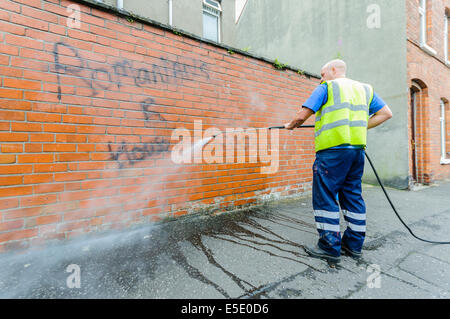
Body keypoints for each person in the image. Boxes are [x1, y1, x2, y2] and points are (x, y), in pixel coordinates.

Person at [284, 59, 392, 263]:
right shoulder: (365, 89)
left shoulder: (328, 87)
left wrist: (290, 125)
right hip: (356, 153)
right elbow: (386, 113)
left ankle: (329, 246)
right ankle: (353, 246)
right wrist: (359, 126)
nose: (320, 78)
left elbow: (302, 115)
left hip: (332, 153)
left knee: (325, 197)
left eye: (322, 74)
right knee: (353, 196)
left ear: (333, 70)